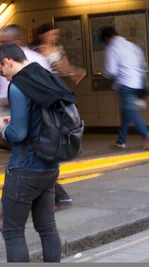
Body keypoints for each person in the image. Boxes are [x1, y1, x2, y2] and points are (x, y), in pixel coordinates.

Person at [0, 43, 72, 262]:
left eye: (1, 70)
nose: (4, 77)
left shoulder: (18, 84)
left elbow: (19, 133)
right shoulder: (45, 77)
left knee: (12, 231)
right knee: (47, 227)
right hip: (50, 166)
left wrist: (4, 130)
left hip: (24, 168)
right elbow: (43, 117)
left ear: (8, 62)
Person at [99, 26, 149, 151]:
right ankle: (121, 140)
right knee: (126, 112)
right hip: (139, 83)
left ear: (107, 38)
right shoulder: (132, 45)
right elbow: (143, 65)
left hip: (126, 84)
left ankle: (147, 137)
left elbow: (111, 71)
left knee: (131, 112)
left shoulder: (112, 47)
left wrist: (105, 76)